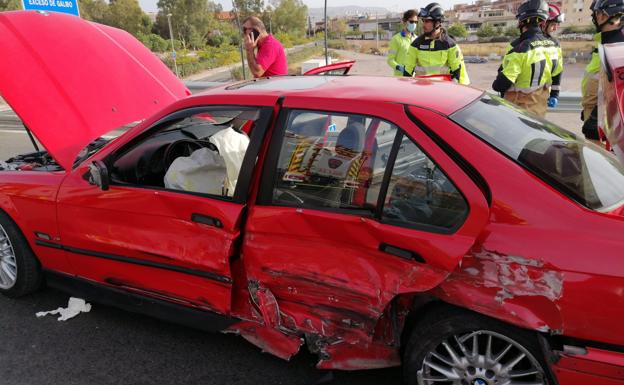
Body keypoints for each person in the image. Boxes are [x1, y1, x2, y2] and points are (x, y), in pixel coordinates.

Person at [492, 0, 562, 117]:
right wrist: (555, 94)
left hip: (518, 110)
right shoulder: (554, 45)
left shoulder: (520, 48)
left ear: (521, 22)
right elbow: (557, 73)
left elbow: (500, 85)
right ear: (544, 22)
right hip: (539, 108)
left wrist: (499, 78)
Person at [581, 0, 624, 142]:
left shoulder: (618, 46)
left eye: (599, 13)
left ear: (608, 15)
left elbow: (618, 90)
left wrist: (595, 117)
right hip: (597, 114)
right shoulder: (605, 42)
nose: (596, 17)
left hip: (607, 123)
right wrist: (589, 108)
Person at [407, 3, 469, 84]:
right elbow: (407, 71)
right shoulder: (416, 44)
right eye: (423, 21)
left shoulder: (450, 45)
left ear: (437, 23)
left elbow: (457, 72)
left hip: (442, 91)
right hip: (421, 91)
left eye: (427, 21)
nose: (423, 25)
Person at [543, 3, 564, 108]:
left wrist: (554, 95)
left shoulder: (555, 44)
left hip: (542, 96)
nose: (555, 28)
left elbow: (558, 71)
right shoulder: (526, 43)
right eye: (553, 25)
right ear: (543, 23)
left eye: (557, 25)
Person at [387, 9, 419, 76]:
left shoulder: (417, 39)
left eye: (416, 22)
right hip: (399, 78)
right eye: (411, 21)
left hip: (414, 78)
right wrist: (400, 68)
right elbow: (390, 60)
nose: (414, 24)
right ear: (404, 21)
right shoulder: (396, 39)